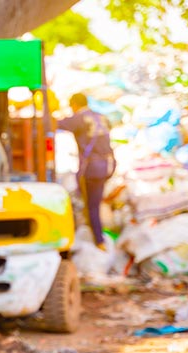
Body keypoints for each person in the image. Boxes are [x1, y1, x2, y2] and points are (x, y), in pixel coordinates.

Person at [58, 93, 116, 249]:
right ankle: (97, 237)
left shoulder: (79, 118)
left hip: (91, 168)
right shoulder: (101, 116)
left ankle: (98, 240)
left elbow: (54, 125)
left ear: (74, 105)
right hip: (107, 165)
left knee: (91, 206)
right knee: (95, 202)